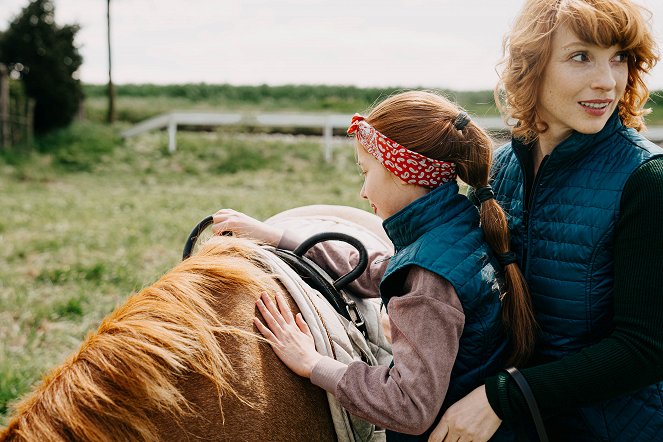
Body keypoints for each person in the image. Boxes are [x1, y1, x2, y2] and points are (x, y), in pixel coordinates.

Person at [211, 91, 536, 441]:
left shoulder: (429, 277)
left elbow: (410, 407)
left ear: (402, 171)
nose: (362, 192)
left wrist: (312, 363)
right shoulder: (457, 229)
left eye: (366, 172)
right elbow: (384, 270)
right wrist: (278, 237)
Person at [428, 1, 663, 441]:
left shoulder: (647, 180)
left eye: (620, 58)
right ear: (531, 67)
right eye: (581, 56)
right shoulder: (500, 170)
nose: (607, 81)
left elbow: (646, 349)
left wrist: (503, 396)